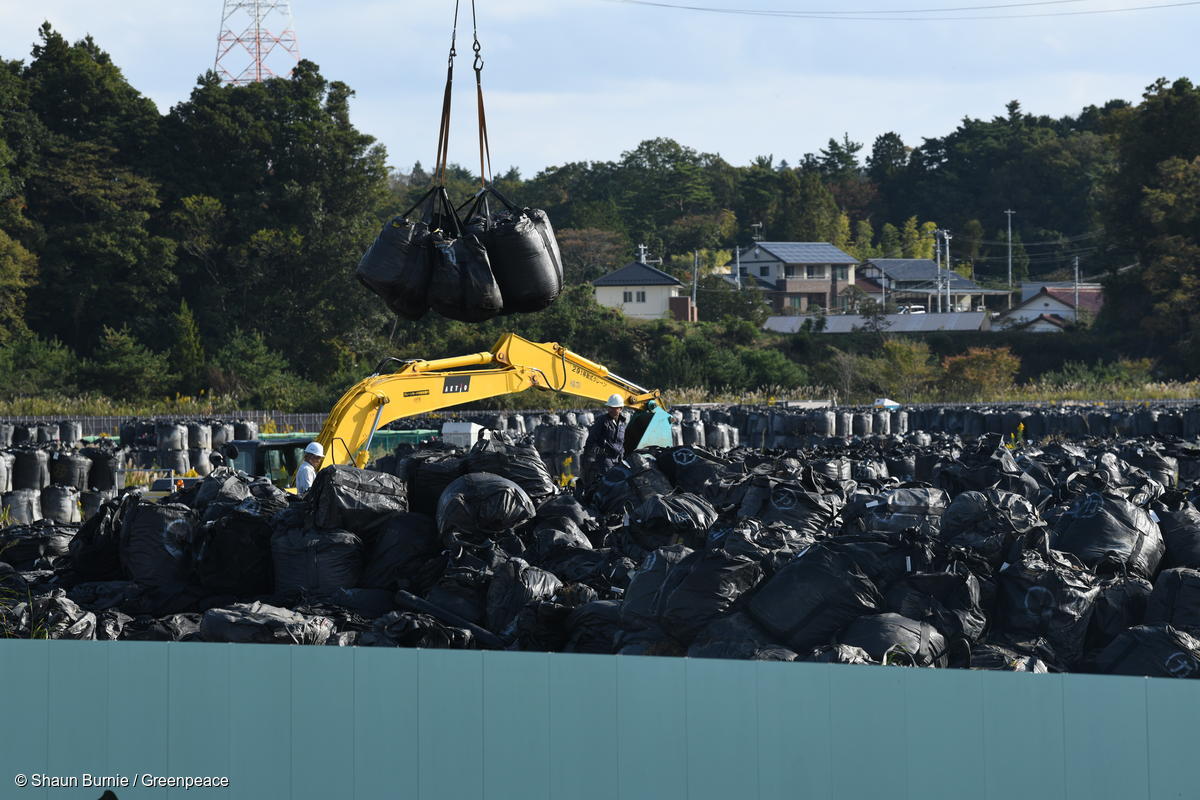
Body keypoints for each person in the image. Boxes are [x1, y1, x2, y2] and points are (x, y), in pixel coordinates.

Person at [583, 394, 628, 486]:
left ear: (620, 409)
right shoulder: (602, 420)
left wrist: (622, 456)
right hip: (604, 460)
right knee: (607, 484)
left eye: (613, 408)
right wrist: (589, 457)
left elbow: (622, 442)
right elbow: (591, 440)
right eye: (609, 407)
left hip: (618, 460)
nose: (610, 410)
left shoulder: (622, 423)